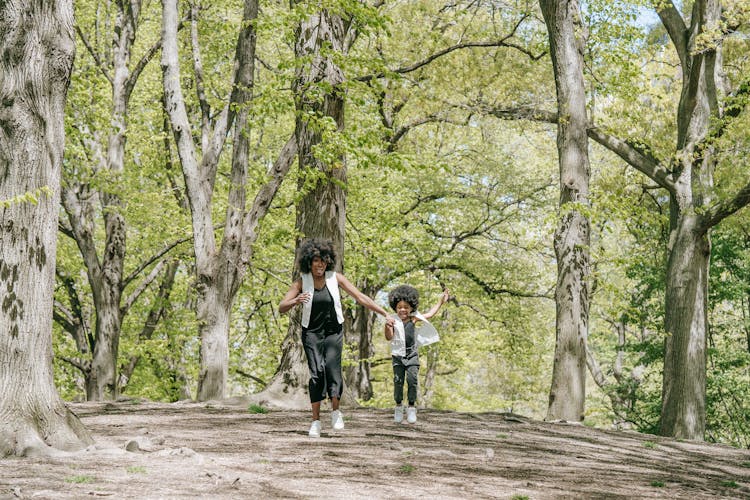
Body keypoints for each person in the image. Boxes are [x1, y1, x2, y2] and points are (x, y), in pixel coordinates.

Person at [279, 238, 389, 438]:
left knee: (332, 369)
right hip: (311, 332)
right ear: (309, 262)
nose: (320, 264)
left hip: (333, 331)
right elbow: (281, 307)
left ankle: (336, 412)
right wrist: (296, 300)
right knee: (316, 373)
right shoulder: (302, 282)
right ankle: (315, 422)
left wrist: (384, 313)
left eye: (323, 260)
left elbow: (360, 297)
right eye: (316, 260)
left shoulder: (335, 278)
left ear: (328, 262)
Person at [384, 285, 449, 424]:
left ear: (411, 307)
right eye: (400, 307)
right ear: (395, 307)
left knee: (412, 380)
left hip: (412, 355)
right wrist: (387, 326)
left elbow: (430, 314)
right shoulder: (393, 320)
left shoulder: (414, 319)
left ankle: (412, 407)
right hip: (397, 356)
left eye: (406, 307)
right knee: (398, 381)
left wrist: (440, 302)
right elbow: (389, 337)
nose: (403, 310)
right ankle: (398, 406)